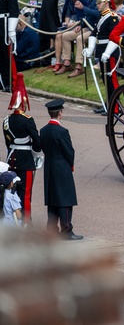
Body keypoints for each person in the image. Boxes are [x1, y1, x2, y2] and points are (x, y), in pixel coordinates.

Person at [40, 99, 82, 240]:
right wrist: (70, 164)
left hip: (49, 166)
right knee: (65, 199)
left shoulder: (43, 130)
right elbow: (69, 151)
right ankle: (66, 230)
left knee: (52, 200)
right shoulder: (62, 131)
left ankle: (52, 229)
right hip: (61, 167)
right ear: (60, 113)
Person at [3, 74, 40, 223]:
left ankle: (13, 221)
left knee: (11, 191)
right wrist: (35, 149)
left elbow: (7, 142)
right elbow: (37, 142)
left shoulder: (6, 120)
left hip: (11, 159)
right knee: (25, 194)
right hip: (26, 161)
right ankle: (25, 222)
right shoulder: (28, 120)